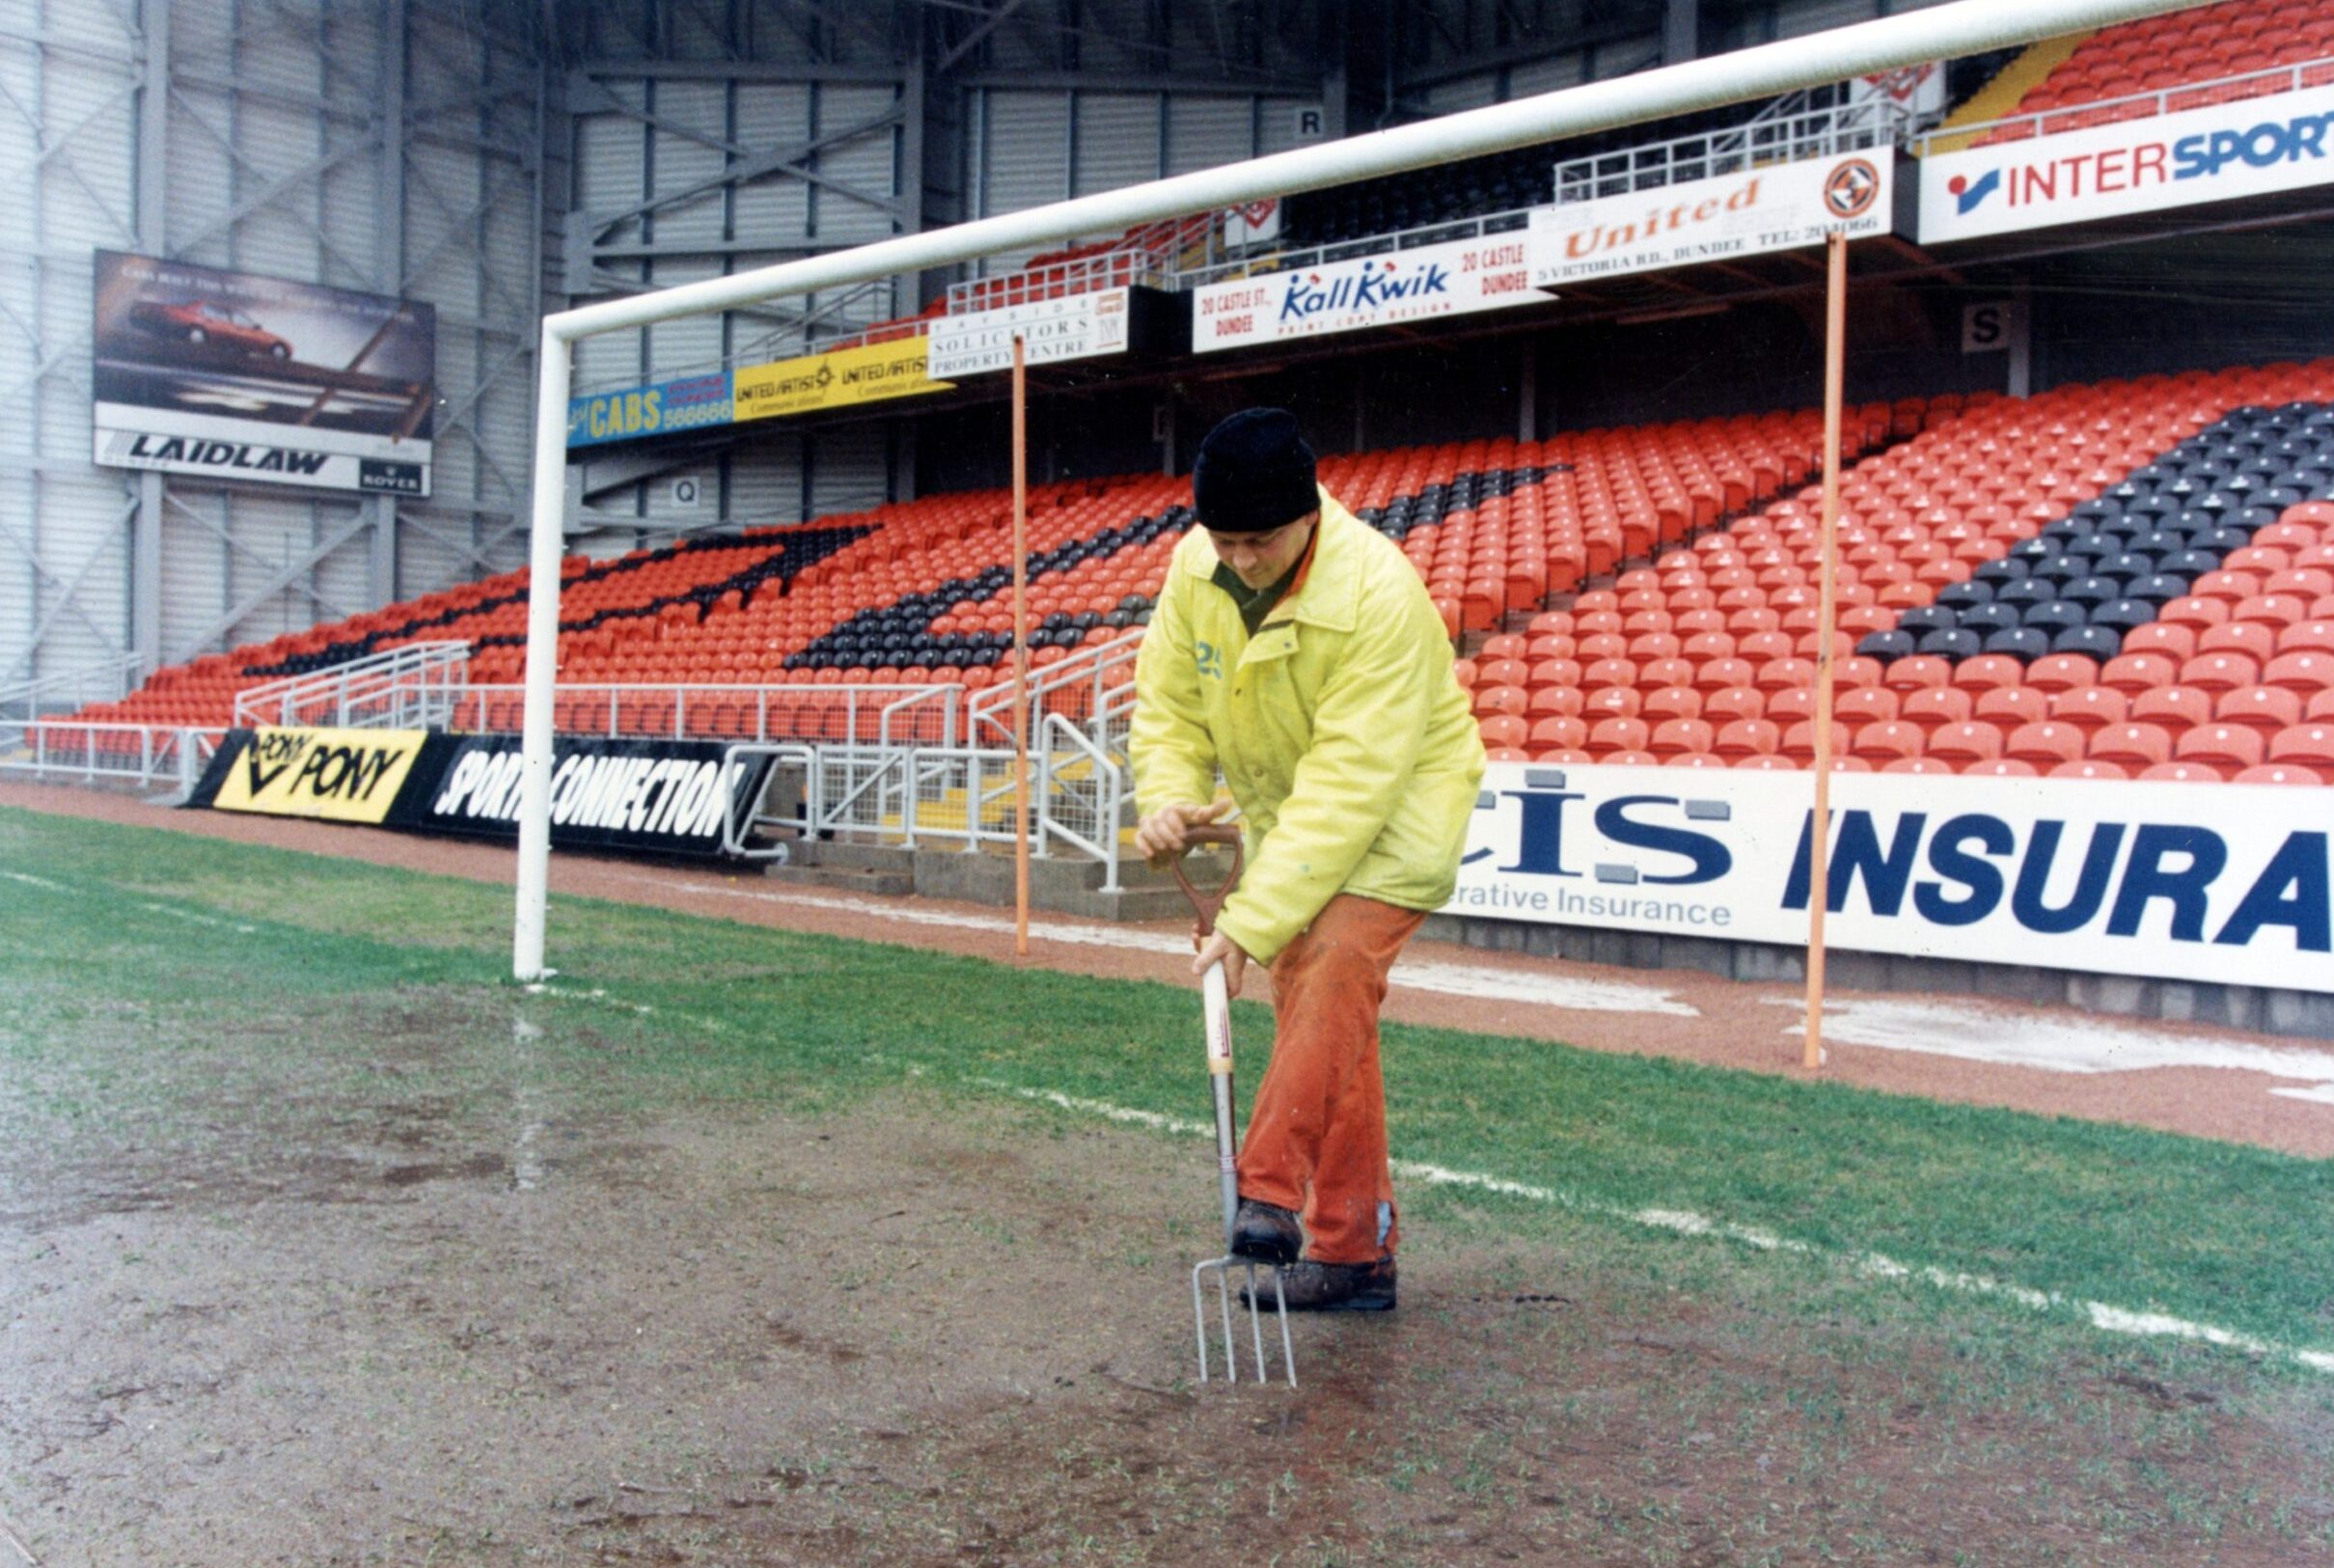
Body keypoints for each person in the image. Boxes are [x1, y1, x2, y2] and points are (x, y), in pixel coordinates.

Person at [1131, 407, 1486, 1312]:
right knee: (1333, 1036)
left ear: (1307, 517)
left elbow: (1351, 783)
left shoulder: (1378, 593)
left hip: (1395, 815)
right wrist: (1166, 793)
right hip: (1291, 822)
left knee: (1328, 966)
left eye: (1258, 541)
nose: (1238, 559)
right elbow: (1168, 705)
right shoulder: (1195, 565)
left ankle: (1269, 1195)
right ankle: (1355, 1255)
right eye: (1223, 539)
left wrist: (1247, 922)